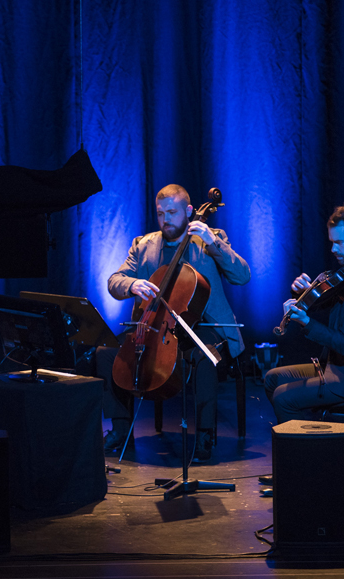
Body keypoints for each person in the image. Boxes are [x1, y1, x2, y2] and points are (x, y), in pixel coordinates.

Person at [95, 184, 250, 462]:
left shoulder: (210, 239)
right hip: (156, 329)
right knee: (106, 355)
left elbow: (242, 275)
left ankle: (204, 434)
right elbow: (114, 282)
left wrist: (214, 245)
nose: (166, 220)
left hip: (203, 328)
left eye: (172, 212)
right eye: (160, 213)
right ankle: (121, 430)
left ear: (189, 211)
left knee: (205, 356)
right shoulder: (143, 245)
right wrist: (132, 284)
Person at [264, 204, 344, 424]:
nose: (333, 249)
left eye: (339, 242)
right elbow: (325, 302)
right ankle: (308, 443)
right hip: (339, 367)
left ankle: (308, 454)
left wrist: (306, 322)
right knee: (272, 379)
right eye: (332, 242)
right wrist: (302, 293)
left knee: (284, 398)